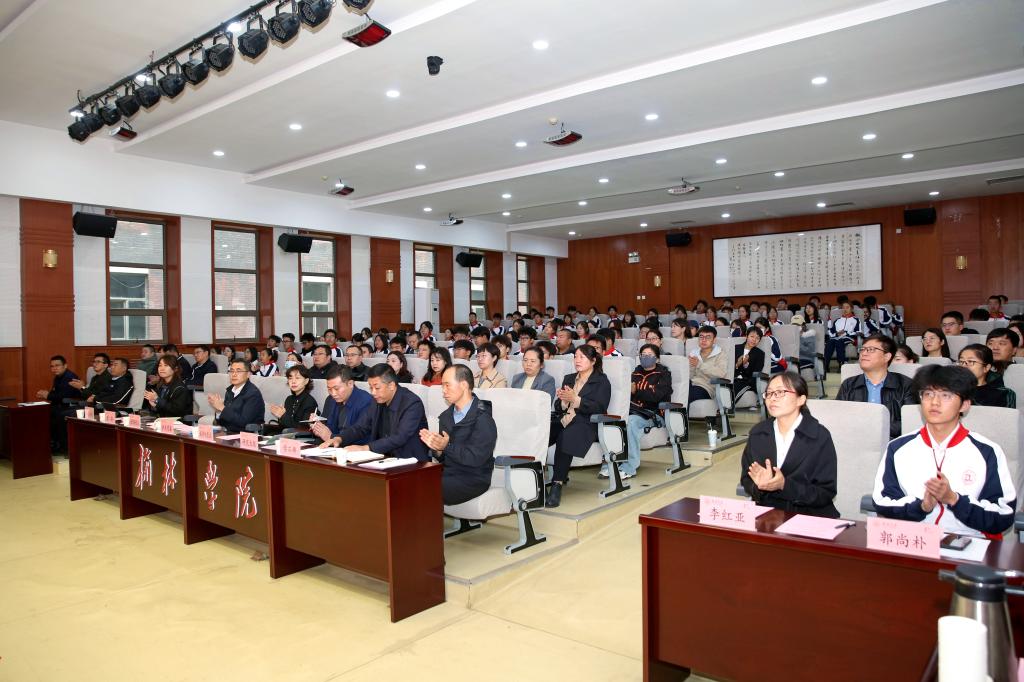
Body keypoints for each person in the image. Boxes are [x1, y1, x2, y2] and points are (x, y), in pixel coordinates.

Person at [872, 364, 1015, 537]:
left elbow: (1003, 515)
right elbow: (883, 502)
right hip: (915, 539)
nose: (934, 402)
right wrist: (922, 506)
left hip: (969, 541)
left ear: (964, 405)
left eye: (946, 395)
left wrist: (955, 500)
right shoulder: (898, 448)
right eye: (928, 394)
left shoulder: (987, 451)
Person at [740, 372, 838, 517]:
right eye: (769, 393)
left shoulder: (819, 436)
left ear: (801, 399)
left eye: (780, 392)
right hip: (768, 514)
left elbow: (825, 492)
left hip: (808, 516)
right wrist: (759, 486)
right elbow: (746, 479)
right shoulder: (758, 433)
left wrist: (784, 485)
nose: (772, 398)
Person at [419, 365, 498, 506]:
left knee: (425, 488)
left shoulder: (483, 419)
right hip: (449, 472)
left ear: (463, 385)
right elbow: (444, 457)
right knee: (408, 480)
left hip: (473, 478)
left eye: (447, 385)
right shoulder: (446, 417)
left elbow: (476, 458)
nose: (443, 390)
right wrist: (438, 449)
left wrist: (446, 446)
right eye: (442, 386)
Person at [547, 345, 612, 508]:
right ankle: (533, 478)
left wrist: (576, 400)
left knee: (566, 436)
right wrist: (563, 401)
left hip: (587, 423)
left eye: (582, 357)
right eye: (575, 356)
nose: (577, 360)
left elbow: (600, 407)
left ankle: (557, 484)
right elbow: (558, 406)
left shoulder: (601, 381)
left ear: (593, 361)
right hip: (565, 419)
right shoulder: (569, 378)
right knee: (541, 432)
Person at [332, 365, 429, 460]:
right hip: (383, 458)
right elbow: (361, 427)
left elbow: (400, 437)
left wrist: (366, 448)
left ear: (391, 385)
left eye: (377, 388)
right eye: (371, 388)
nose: (373, 393)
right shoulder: (377, 400)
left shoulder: (412, 403)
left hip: (411, 461)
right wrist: (340, 438)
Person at [835, 334, 917, 438]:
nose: (864, 353)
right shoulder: (848, 384)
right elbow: (839, 418)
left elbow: (910, 422)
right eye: (862, 349)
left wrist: (874, 428)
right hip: (855, 441)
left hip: (892, 442)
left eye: (871, 350)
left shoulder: (906, 384)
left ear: (887, 356)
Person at [620, 344, 673, 479]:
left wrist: (636, 390)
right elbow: (624, 393)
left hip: (654, 414)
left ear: (657, 358)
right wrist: (640, 390)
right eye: (643, 355)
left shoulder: (664, 374)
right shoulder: (635, 373)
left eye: (649, 355)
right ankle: (611, 465)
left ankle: (629, 467)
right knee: (615, 420)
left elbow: (656, 396)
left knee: (631, 422)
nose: (645, 358)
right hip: (633, 410)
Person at [313, 365, 373, 446]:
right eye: (329, 389)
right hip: (329, 446)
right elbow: (326, 427)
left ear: (350, 384)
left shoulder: (366, 401)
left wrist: (331, 437)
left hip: (354, 449)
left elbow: (359, 433)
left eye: (336, 389)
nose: (333, 394)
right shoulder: (330, 399)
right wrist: (317, 426)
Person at [208, 359, 265, 433]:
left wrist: (222, 408)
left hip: (246, 436)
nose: (234, 374)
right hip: (229, 433)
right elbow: (222, 422)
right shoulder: (230, 391)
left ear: (248, 374)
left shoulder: (253, 394)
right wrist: (218, 411)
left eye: (238, 371)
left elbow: (244, 423)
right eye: (231, 371)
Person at [39, 355, 80, 452]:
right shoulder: (58, 377)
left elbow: (64, 396)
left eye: (57, 365)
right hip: (59, 404)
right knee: (40, 411)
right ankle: (50, 443)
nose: (54, 368)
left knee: (52, 413)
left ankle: (59, 445)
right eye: (52, 366)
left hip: (69, 405)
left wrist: (48, 396)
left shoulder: (70, 377)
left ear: (65, 366)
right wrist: (47, 394)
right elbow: (54, 393)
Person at [958, 344, 1016, 408]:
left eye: (970, 361)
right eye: (961, 361)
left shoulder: (1004, 394)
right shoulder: (953, 390)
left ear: (986, 368)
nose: (964, 366)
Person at [268, 364, 319, 429]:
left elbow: (304, 429)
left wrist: (283, 416)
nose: (293, 381)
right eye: (290, 378)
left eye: (297, 378)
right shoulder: (289, 399)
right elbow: (284, 425)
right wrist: (280, 416)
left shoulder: (309, 402)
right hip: (284, 433)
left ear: (306, 381)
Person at [143, 354, 192, 418]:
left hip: (177, 422)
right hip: (162, 420)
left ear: (175, 369)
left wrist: (157, 400)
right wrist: (154, 405)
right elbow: (162, 409)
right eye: (160, 365)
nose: (162, 368)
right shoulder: (160, 385)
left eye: (166, 365)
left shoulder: (180, 388)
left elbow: (177, 411)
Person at [689, 327, 728, 404]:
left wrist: (699, 364)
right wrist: (691, 366)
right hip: (691, 384)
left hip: (707, 387)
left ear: (714, 340)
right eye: (701, 337)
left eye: (708, 337)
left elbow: (721, 374)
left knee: (688, 394)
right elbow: (690, 376)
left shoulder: (720, 354)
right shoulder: (694, 353)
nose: (704, 340)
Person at [823, 301, 858, 372]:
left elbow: (858, 331)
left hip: (849, 337)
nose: (845, 309)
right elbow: (831, 331)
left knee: (839, 341)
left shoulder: (856, 320)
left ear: (851, 309)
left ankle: (841, 364)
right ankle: (826, 365)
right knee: (830, 342)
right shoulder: (838, 320)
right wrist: (836, 333)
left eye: (847, 307)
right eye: (843, 308)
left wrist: (845, 333)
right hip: (837, 337)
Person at [734, 327, 766, 403]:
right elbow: (728, 368)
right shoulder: (735, 348)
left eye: (757, 338)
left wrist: (745, 365)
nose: (754, 340)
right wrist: (737, 364)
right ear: (746, 336)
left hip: (747, 381)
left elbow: (756, 373)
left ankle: (729, 406)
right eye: (752, 336)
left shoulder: (760, 354)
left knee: (735, 387)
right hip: (733, 378)